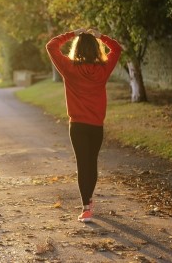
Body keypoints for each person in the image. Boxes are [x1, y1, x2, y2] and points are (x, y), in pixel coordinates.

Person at [46, 28, 122, 223]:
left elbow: (51, 46)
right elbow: (117, 49)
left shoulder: (69, 68)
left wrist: (72, 33)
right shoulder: (103, 69)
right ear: (96, 49)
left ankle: (86, 207)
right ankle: (88, 201)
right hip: (96, 126)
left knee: (83, 164)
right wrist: (101, 36)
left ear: (77, 48)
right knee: (92, 163)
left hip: (77, 126)